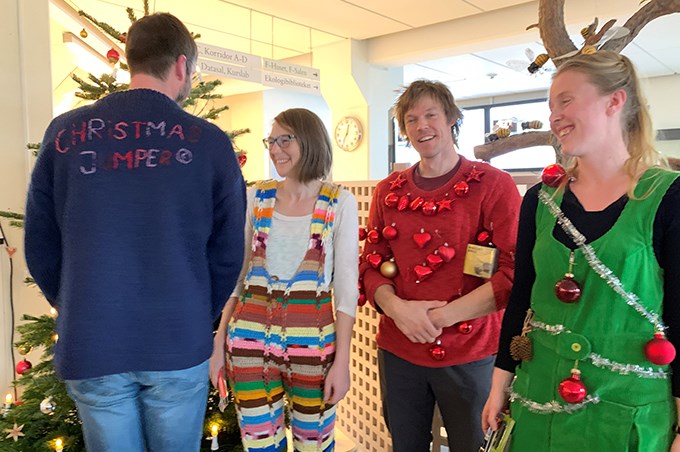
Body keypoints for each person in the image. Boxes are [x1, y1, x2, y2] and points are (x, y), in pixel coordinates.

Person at [24, 13, 246, 452]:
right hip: (177, 338)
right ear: (181, 66)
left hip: (93, 337)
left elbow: (40, 244)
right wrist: (197, 313)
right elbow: (226, 254)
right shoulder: (210, 143)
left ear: (131, 60)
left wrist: (75, 302)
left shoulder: (66, 134)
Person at [482, 50, 680, 452]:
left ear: (615, 100)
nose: (554, 116)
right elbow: (522, 298)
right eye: (551, 106)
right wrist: (499, 383)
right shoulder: (540, 200)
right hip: (536, 404)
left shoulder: (668, 197)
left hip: (627, 416)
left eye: (566, 101)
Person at [360, 79, 521, 451]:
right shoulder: (388, 190)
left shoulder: (492, 185)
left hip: (473, 353)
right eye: (411, 119)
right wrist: (399, 310)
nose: (422, 126)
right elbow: (371, 265)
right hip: (399, 350)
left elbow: (513, 273)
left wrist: (439, 318)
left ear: (451, 119)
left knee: (474, 445)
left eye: (431, 114)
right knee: (406, 444)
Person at [209, 108, 359, 451]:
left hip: (316, 347)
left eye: (284, 139)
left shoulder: (339, 203)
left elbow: (347, 290)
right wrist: (218, 344)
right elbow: (237, 277)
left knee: (315, 444)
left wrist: (343, 362)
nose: (275, 149)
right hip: (248, 343)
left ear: (309, 140)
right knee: (260, 445)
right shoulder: (256, 198)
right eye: (271, 141)